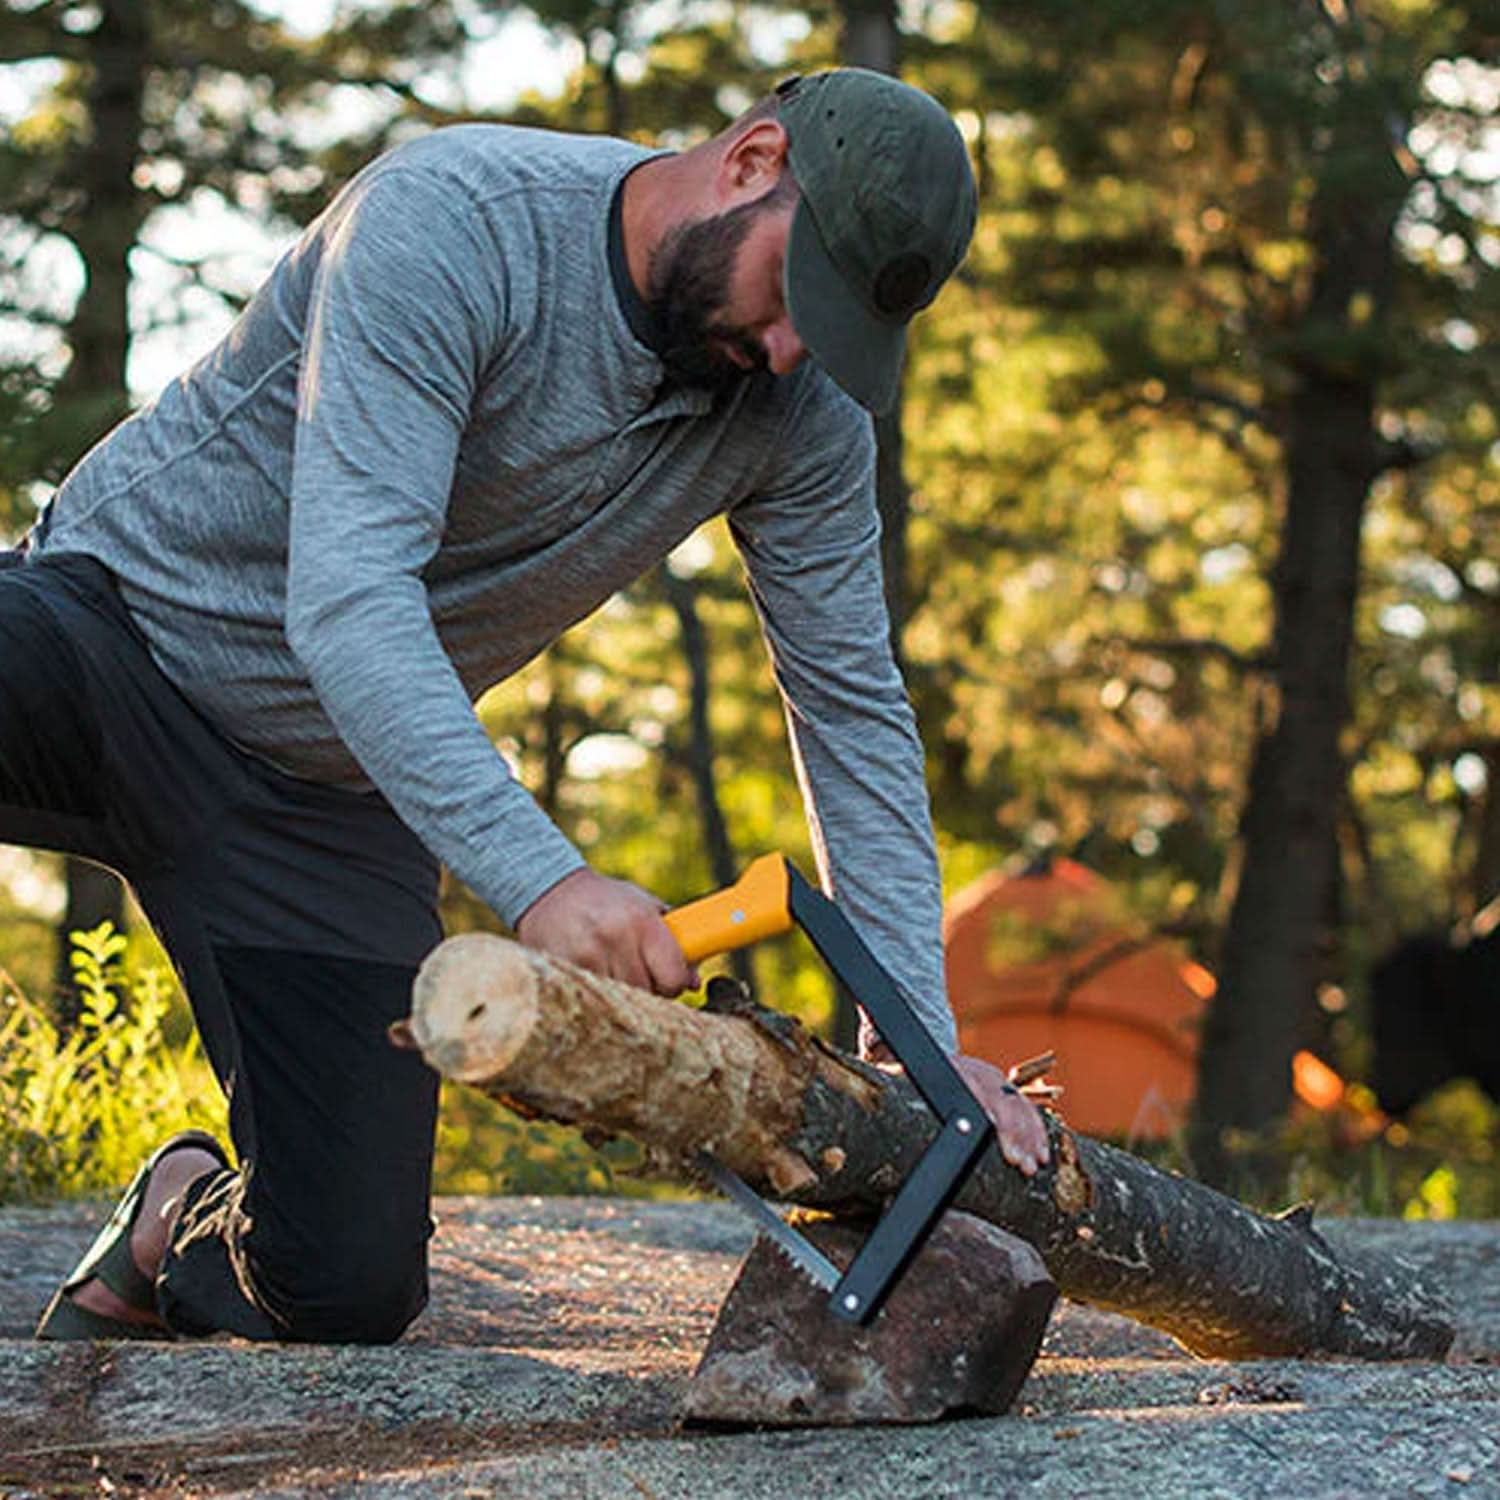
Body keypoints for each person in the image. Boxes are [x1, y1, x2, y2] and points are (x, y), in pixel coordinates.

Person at [6, 68, 1049, 1346]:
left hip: (326, 792)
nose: (790, 352)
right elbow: (346, 600)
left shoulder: (804, 415)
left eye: (831, 335)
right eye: (796, 296)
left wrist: (918, 1062)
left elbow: (853, 714)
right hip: (113, 636)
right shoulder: (455, 221)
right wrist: (540, 878)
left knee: (344, 1283)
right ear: (750, 159)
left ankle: (178, 1212)